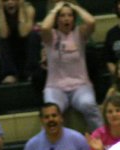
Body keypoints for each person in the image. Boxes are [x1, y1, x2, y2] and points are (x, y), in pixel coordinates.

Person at [40, 1, 102, 131]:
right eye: (62, 16)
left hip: (80, 86)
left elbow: (91, 22)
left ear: (74, 18)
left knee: (88, 105)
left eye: (69, 15)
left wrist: (75, 6)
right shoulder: (51, 36)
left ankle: (104, 141)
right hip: (55, 87)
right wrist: (56, 9)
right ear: (57, 19)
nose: (66, 18)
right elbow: (44, 27)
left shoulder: (79, 33)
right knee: (50, 112)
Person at [0, 0, 36, 84]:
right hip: (11, 53)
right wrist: (1, 9)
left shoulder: (29, 9)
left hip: (26, 50)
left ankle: (31, 72)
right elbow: (3, 34)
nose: (10, 2)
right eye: (5, 0)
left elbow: (23, 33)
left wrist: (21, 8)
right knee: (0, 38)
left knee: (33, 35)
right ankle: (10, 73)